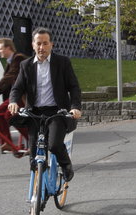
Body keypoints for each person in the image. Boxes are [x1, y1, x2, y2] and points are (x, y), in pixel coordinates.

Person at [8, 27, 82, 181]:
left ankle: (66, 165)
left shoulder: (62, 62)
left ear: (51, 45)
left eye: (45, 43)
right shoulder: (26, 65)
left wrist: (75, 107)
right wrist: (13, 101)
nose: (42, 47)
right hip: (35, 113)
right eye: (38, 43)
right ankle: (38, 193)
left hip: (57, 112)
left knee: (54, 145)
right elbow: (17, 88)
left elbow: (74, 87)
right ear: (33, 45)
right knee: (34, 155)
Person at [0, 38, 28, 151]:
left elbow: (11, 76)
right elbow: (8, 83)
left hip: (22, 95)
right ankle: (7, 142)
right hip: (14, 95)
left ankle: (31, 139)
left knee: (9, 115)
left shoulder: (18, 58)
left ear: (8, 48)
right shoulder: (10, 62)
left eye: (0, 49)